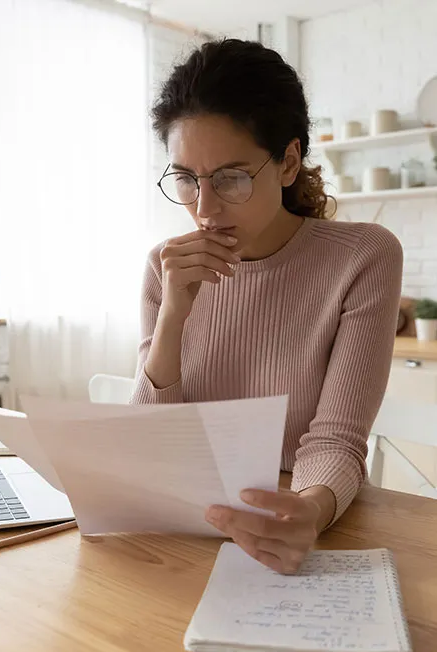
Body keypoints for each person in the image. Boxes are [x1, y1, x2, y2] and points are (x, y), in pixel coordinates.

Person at [130, 38, 403, 574]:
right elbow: (151, 448)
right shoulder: (166, 266)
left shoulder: (364, 257)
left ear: (288, 162)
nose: (204, 209)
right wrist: (172, 319)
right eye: (186, 179)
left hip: (294, 531)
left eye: (231, 177)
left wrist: (308, 510)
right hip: (182, 537)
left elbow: (336, 437)